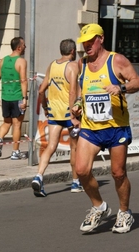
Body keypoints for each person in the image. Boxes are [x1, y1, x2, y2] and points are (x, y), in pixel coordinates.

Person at [72, 24, 139, 233]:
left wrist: (120, 87)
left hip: (116, 127)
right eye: (84, 42)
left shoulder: (116, 60)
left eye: (90, 40)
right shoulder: (82, 63)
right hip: (91, 127)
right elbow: (82, 90)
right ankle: (99, 206)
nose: (86, 45)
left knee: (118, 173)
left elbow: (138, 82)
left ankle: (124, 212)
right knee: (81, 170)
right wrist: (77, 104)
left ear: (101, 39)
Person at [31, 39, 84, 197]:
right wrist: (74, 115)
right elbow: (73, 91)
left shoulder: (52, 65)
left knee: (51, 146)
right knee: (74, 148)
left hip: (55, 113)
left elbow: (41, 90)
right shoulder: (73, 66)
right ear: (73, 51)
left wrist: (46, 108)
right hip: (69, 113)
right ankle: (75, 182)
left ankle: (39, 176)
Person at [0, 37, 28, 160]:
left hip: (6, 97)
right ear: (18, 47)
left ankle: (0, 139)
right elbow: (23, 81)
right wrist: (25, 98)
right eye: (24, 45)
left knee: (7, 122)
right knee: (17, 125)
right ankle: (15, 152)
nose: (25, 47)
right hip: (17, 96)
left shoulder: (3, 60)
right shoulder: (21, 61)